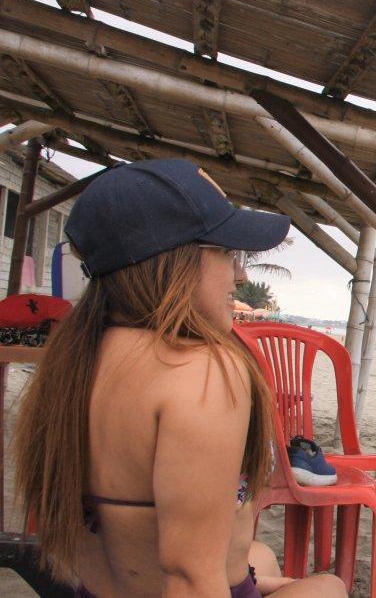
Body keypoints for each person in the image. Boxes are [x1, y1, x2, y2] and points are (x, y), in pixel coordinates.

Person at [13, 159, 345, 598]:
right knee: (329, 587)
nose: (241, 274)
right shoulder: (200, 370)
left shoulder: (74, 358)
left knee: (261, 556)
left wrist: (248, 581)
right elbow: (189, 578)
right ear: (173, 260)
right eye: (226, 252)